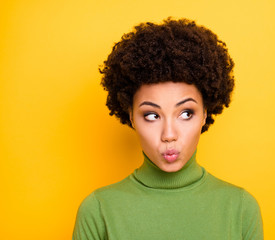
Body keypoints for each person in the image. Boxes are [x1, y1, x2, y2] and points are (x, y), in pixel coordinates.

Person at [72, 17, 263, 240]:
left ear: (205, 113)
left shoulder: (240, 209)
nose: (169, 135)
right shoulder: (98, 211)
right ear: (131, 116)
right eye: (152, 116)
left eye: (186, 113)